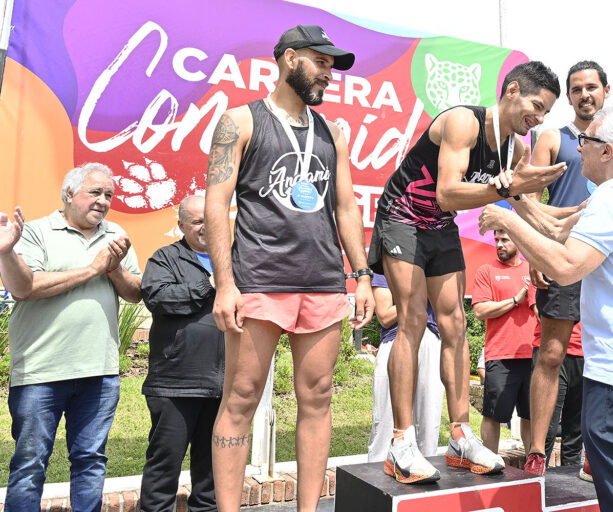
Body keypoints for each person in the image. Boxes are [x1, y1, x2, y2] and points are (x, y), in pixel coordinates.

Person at [368, 60, 566, 483]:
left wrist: (565, 220)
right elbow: (446, 193)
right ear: (512, 90)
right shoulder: (464, 122)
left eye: (547, 112)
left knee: (455, 324)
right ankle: (401, 442)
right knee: (412, 320)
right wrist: (507, 187)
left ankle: (460, 436)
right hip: (402, 215)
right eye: (536, 105)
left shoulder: (518, 148)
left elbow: (526, 207)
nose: (539, 117)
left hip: (437, 226)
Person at [204, 25, 374, 512]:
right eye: (322, 62)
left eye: (333, 66)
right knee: (240, 399)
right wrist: (225, 285)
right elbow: (218, 204)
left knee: (318, 397)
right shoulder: (240, 121)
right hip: (259, 279)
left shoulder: (332, 132)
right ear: (290, 58)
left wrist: (360, 275)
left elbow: (346, 207)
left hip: (322, 283)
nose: (329, 74)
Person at [479, 106, 613, 511]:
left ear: (608, 152)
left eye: (586, 142)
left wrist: (505, 220)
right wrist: (512, 196)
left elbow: (566, 267)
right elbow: (555, 228)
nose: (578, 149)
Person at [0, 163, 142, 512]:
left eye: (109, 195)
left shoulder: (115, 235)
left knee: (91, 462)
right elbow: (23, 287)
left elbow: (136, 292)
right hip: (41, 373)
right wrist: (92, 269)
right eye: (95, 192)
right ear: (68, 193)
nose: (104, 201)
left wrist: (114, 268)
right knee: (30, 466)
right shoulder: (34, 232)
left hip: (100, 373)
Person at [522, 60, 610, 475]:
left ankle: (596, 453)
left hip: (606, 261)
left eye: (591, 87)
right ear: (569, 97)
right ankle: (537, 451)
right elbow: (529, 199)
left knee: (603, 357)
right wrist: (535, 253)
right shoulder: (551, 138)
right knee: (552, 354)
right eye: (576, 89)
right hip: (561, 258)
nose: (584, 95)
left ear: (606, 91)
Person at [139, 195, 225, 512]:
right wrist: (209, 284)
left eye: (211, 219)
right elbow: (158, 298)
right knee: (164, 469)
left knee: (212, 477)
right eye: (198, 221)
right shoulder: (165, 258)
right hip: (176, 384)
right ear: (181, 226)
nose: (206, 226)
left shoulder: (235, 257)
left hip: (225, 386)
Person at [472, 229, 537, 455]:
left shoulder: (533, 269)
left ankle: (533, 468)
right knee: (493, 415)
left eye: (505, 240)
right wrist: (514, 300)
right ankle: (488, 461)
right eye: (496, 240)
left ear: (518, 240)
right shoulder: (486, 271)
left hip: (533, 355)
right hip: (500, 355)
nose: (499, 244)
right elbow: (480, 311)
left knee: (531, 415)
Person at [367, 272, 443, 464]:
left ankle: (427, 480)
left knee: (428, 421)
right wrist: (419, 292)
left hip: (430, 338)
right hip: (395, 338)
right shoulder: (383, 269)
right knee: (385, 421)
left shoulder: (435, 267)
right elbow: (384, 316)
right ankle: (376, 477)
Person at [531, 321, 583, 468]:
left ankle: (570, 483)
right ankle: (535, 477)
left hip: (585, 353)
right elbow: (540, 310)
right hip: (551, 352)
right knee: (545, 429)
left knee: (575, 432)